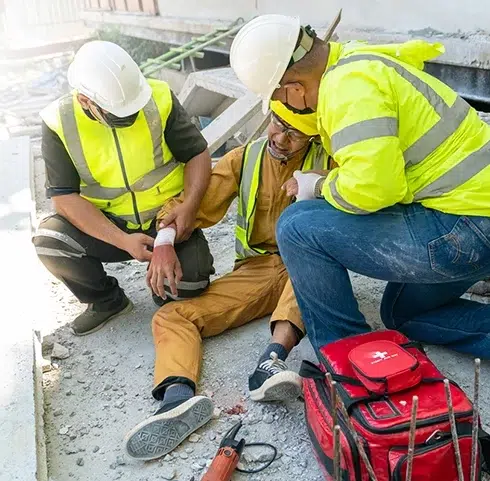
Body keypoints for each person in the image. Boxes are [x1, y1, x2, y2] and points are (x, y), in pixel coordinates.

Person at [230, 15, 490, 359]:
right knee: (401, 313)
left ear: (294, 89)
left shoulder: (347, 89)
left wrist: (319, 186)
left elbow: (375, 190)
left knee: (297, 227)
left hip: (463, 230)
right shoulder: (356, 60)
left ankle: (347, 353)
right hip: (472, 220)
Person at [123, 101, 331, 461]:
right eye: (277, 124)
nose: (280, 137)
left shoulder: (330, 163)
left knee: (313, 260)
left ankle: (271, 360)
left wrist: (317, 188)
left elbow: (365, 201)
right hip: (258, 271)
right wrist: (164, 243)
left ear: (312, 134)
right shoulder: (244, 159)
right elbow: (190, 204)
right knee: (172, 316)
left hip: (311, 262)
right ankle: (177, 398)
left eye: (294, 133)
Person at [32, 40, 214, 335]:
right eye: (120, 115)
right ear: (85, 101)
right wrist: (123, 240)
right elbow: (65, 198)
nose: (130, 118)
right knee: (51, 239)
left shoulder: (158, 97)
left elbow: (197, 154)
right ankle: (106, 301)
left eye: (134, 109)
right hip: (108, 226)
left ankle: (164, 286)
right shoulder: (59, 121)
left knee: (188, 286)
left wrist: (188, 207)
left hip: (166, 220)